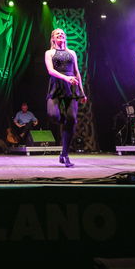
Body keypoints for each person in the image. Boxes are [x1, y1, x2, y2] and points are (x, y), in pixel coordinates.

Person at [45, 28, 86, 167]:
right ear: (53, 38)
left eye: (62, 33)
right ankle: (65, 120)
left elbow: (77, 72)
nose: (61, 35)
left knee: (72, 119)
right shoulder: (49, 53)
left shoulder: (72, 52)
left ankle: (64, 154)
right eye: (57, 33)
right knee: (53, 115)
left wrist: (82, 92)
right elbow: (50, 70)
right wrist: (66, 78)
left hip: (72, 86)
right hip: (56, 85)